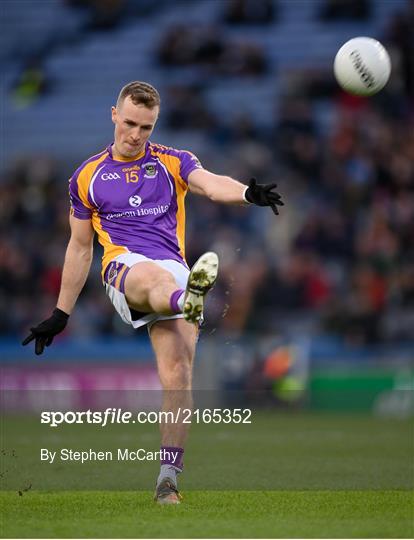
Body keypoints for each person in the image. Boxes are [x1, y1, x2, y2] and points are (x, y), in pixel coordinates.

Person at [22, 81, 284, 504]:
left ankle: (168, 480)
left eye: (145, 126)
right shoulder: (86, 176)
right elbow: (79, 246)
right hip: (124, 267)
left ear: (154, 123)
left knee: (178, 375)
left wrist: (247, 194)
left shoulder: (171, 161)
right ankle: (190, 301)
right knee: (153, 280)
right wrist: (61, 312)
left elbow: (209, 183)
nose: (135, 134)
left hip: (176, 270)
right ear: (114, 114)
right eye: (129, 123)